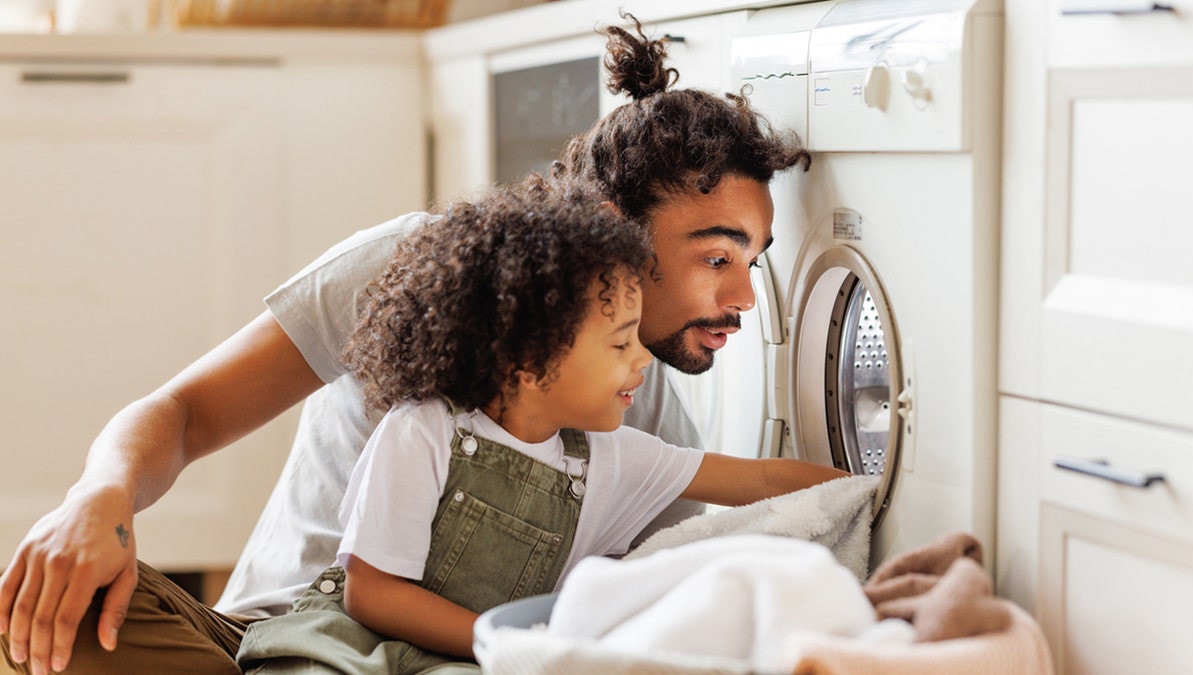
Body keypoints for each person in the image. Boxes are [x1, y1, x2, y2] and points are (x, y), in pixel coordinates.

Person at [0, 12, 811, 675]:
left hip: (447, 662)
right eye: (716, 256)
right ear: (612, 227)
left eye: (753, 263)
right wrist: (98, 495)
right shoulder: (419, 265)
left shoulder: (638, 411)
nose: (742, 297)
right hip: (275, 639)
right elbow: (185, 412)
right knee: (47, 614)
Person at [235, 175, 846, 674]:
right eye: (620, 343)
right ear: (530, 360)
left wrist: (872, 489)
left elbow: (760, 480)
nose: (642, 361)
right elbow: (370, 592)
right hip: (349, 647)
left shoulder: (612, 453)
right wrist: (502, 640)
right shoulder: (423, 431)